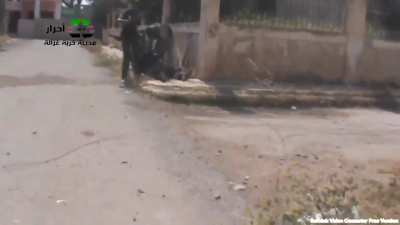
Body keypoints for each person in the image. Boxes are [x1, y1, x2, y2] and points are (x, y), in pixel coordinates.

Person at [117, 9, 142, 87]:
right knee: (131, 62)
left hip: (130, 49)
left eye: (121, 22)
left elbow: (121, 38)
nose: (120, 24)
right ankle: (132, 79)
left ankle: (125, 80)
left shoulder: (128, 27)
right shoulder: (132, 26)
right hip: (132, 49)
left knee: (128, 62)